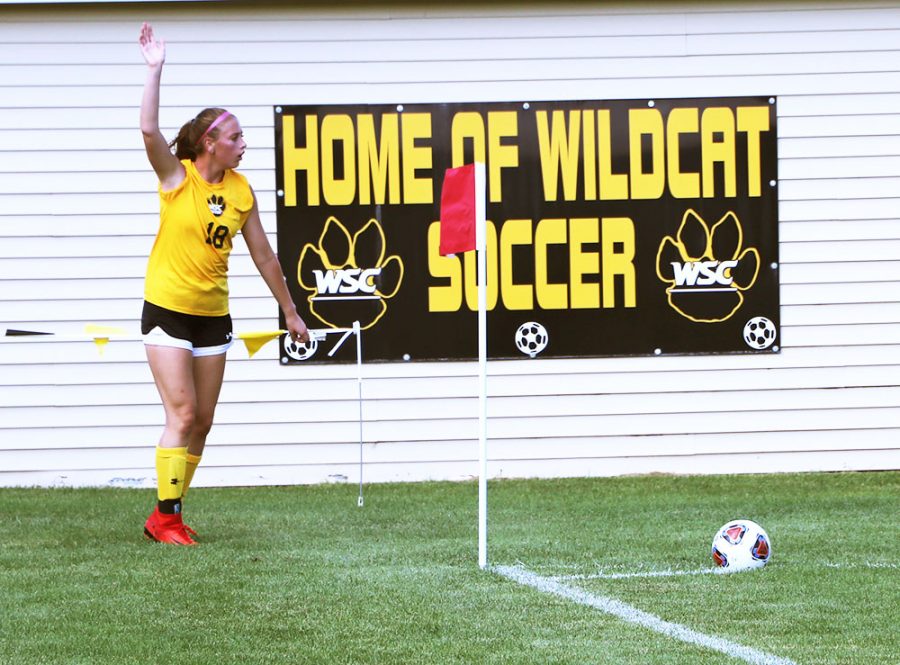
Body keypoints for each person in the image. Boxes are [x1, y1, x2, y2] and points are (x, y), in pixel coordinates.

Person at [138, 22, 309, 545]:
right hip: (167, 309)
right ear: (209, 143)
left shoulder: (241, 191)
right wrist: (155, 69)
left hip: (215, 317)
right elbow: (149, 131)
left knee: (204, 422)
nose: (243, 145)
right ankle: (165, 519)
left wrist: (290, 311)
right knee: (183, 413)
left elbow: (264, 255)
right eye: (235, 138)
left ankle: (167, 511)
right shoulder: (177, 178)